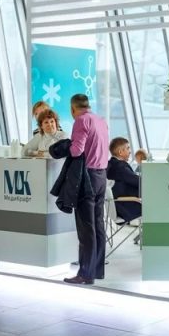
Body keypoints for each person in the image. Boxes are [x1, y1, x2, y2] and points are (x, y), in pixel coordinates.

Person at [63, 94, 109, 285]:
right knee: (98, 225)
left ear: (73, 108)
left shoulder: (81, 121)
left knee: (86, 228)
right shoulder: (100, 120)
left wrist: (65, 146)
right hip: (101, 176)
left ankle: (85, 274)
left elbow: (76, 150)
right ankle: (96, 271)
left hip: (87, 177)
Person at [107, 138, 141, 222]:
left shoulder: (109, 164)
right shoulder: (121, 167)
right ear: (120, 152)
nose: (130, 151)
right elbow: (139, 182)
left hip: (115, 206)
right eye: (128, 148)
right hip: (127, 208)